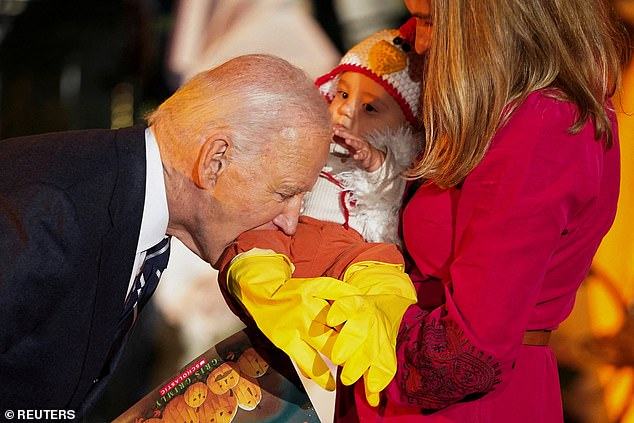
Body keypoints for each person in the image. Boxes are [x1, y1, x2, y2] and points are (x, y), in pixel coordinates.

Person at [0, 54, 338, 417]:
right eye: (286, 193)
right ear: (215, 162)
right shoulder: (47, 212)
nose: (290, 221)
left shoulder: (136, 210)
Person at [336, 0, 625, 421]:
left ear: (490, 21)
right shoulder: (497, 101)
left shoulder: (542, 124)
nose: (416, 41)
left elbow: (468, 354)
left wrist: (342, 323)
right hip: (409, 386)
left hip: (465, 406)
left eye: (430, 22)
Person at [217, 19, 425, 406]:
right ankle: (283, 302)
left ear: (405, 128)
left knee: (385, 271)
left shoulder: (398, 167)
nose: (345, 112)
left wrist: (375, 162)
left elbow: (391, 201)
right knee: (253, 249)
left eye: (370, 108)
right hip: (292, 235)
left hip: (350, 254)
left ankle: (373, 322)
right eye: (342, 95)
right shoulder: (317, 147)